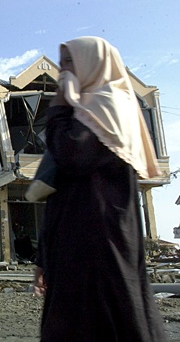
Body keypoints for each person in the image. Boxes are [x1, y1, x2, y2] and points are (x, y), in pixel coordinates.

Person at [32, 36, 167, 341]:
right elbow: (59, 189)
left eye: (70, 62)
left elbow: (73, 156)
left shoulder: (111, 105)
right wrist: (45, 257)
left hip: (102, 248)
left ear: (93, 63)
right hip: (75, 251)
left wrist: (59, 106)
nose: (62, 71)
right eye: (61, 63)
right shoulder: (83, 109)